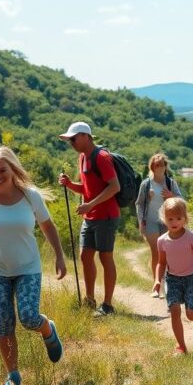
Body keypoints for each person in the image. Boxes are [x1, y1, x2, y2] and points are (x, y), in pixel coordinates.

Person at [0, 147, 68, 385]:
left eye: (3, 170)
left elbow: (47, 225)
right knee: (5, 323)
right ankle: (13, 377)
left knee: (29, 317)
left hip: (27, 268)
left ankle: (47, 330)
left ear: (12, 169)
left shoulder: (30, 196)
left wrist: (59, 255)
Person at [58, 121, 120, 316]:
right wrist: (69, 184)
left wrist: (90, 204)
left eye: (73, 139)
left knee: (105, 257)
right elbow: (87, 189)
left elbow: (114, 186)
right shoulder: (82, 158)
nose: (71, 143)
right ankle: (90, 300)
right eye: (69, 140)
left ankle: (107, 305)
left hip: (106, 216)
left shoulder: (101, 157)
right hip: (91, 216)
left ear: (86, 136)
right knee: (85, 256)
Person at [155, 197, 193, 354]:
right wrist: (157, 280)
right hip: (172, 280)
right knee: (174, 310)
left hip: (191, 279)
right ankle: (181, 346)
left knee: (191, 314)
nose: (174, 222)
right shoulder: (162, 241)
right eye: (170, 218)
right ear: (164, 219)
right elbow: (161, 263)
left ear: (185, 218)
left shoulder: (191, 237)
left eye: (178, 218)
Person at [135, 153, 182, 298]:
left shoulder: (170, 183)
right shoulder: (146, 184)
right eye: (156, 165)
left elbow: (181, 200)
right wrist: (141, 222)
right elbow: (139, 204)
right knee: (156, 252)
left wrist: (171, 195)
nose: (160, 167)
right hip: (150, 221)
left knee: (166, 253)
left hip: (167, 222)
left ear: (166, 166)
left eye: (162, 164)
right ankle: (157, 285)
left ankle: (167, 284)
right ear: (152, 167)